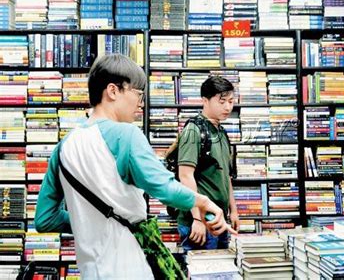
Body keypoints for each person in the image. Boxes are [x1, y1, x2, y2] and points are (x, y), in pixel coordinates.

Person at [34, 54, 234, 279]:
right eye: (138, 94)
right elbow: (165, 189)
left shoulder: (63, 147)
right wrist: (205, 202)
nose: (141, 104)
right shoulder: (127, 135)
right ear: (113, 91)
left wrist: (89, 221)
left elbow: (44, 219)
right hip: (132, 269)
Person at [177, 76, 240, 251]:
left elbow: (225, 175)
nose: (228, 107)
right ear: (205, 100)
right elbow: (185, 176)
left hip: (220, 220)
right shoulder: (193, 130)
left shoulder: (221, 132)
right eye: (222, 102)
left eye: (230, 101)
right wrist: (197, 219)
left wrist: (233, 211)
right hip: (200, 222)